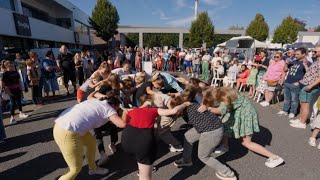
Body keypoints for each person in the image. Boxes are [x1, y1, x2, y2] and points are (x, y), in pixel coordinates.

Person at [199, 87, 284, 168]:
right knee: (225, 123)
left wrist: (208, 108)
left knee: (246, 143)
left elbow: (221, 110)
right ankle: (225, 146)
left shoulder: (224, 97)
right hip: (244, 112)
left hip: (246, 116)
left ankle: (274, 157)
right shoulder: (224, 90)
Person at [53, 97, 126, 180]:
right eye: (117, 109)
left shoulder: (97, 100)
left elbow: (90, 96)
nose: (116, 112)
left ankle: (93, 169)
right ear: (113, 105)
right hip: (67, 132)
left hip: (63, 124)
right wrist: (126, 112)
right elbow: (122, 124)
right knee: (75, 168)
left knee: (91, 142)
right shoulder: (109, 109)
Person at [173, 88, 237, 180]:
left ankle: (227, 173)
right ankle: (187, 160)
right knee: (188, 136)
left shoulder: (188, 112)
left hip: (212, 131)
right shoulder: (193, 104)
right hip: (210, 126)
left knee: (203, 156)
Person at [121, 100, 190, 180]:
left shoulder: (134, 110)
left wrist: (143, 105)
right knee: (145, 176)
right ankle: (143, 170)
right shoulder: (154, 110)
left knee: (139, 157)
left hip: (126, 139)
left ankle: (141, 169)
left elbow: (125, 111)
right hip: (143, 141)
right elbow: (174, 111)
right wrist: (185, 104)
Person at [290, 45, 320, 129]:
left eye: (315, 52)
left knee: (305, 105)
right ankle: (300, 119)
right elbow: (310, 73)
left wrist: (310, 86)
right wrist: (306, 65)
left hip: (309, 86)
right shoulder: (316, 61)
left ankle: (302, 123)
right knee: (302, 104)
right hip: (305, 85)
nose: (313, 53)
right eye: (313, 51)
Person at [278, 47, 311, 119]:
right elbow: (285, 70)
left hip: (296, 85)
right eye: (295, 54)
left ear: (303, 54)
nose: (295, 55)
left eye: (297, 54)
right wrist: (286, 64)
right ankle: (285, 110)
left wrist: (298, 82)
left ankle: (293, 112)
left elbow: (308, 74)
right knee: (286, 98)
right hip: (287, 82)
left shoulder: (307, 63)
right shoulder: (293, 61)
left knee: (294, 100)